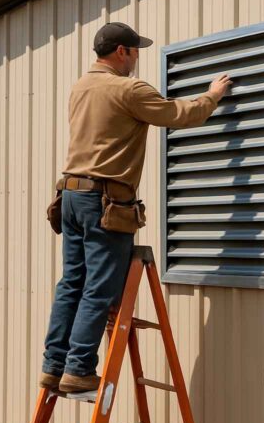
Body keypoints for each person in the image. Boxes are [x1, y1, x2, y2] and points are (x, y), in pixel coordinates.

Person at [39, 22, 232, 393]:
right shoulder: (129, 89)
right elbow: (180, 115)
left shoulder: (82, 86)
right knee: (99, 285)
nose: (138, 58)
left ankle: (53, 365)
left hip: (71, 196)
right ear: (121, 52)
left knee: (72, 283)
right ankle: (79, 369)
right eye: (135, 50)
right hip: (102, 200)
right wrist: (212, 95)